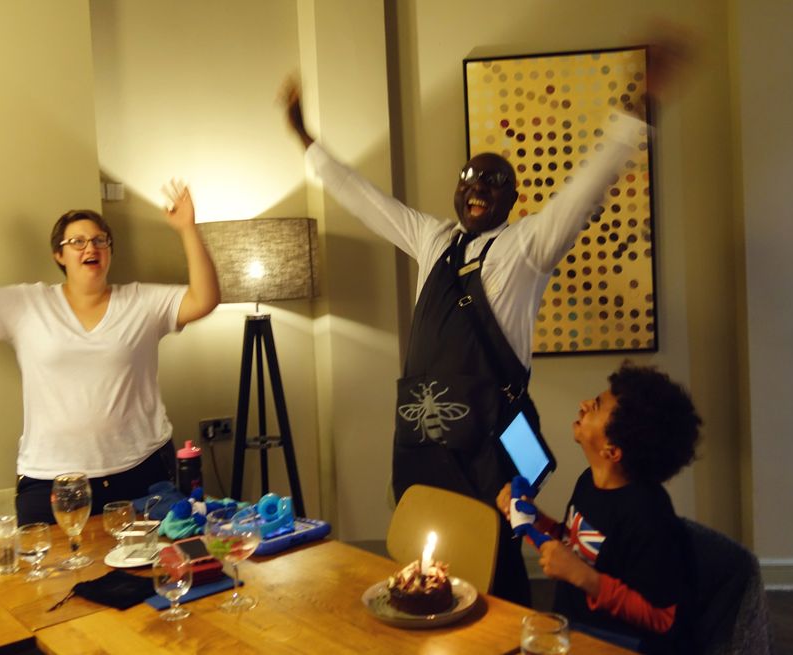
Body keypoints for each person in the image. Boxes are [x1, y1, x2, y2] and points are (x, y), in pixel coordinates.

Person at [279, 37, 685, 603]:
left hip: (488, 442)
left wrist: (639, 114)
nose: (477, 185)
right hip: (420, 438)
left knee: (493, 566)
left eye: (493, 180)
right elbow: (365, 198)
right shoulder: (432, 239)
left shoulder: (526, 247)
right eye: (469, 175)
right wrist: (305, 139)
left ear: (513, 199)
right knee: (423, 564)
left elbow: (585, 189)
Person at [0, 180, 220, 525]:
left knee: (153, 558)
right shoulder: (28, 304)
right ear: (59, 255)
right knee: (51, 560)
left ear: (109, 251)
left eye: (100, 240)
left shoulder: (142, 302)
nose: (91, 247)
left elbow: (204, 299)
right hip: (52, 478)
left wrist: (187, 229)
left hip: (141, 470)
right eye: (77, 241)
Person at [497, 363, 700, 653]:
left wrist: (584, 577)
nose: (583, 404)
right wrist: (533, 519)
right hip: (572, 626)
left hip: (616, 643)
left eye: (595, 406)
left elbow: (662, 618)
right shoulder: (588, 481)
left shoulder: (648, 516)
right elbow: (576, 545)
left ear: (612, 451)